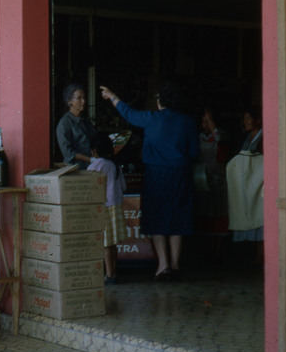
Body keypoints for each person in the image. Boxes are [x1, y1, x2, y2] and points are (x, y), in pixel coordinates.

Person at [100, 82, 200, 281]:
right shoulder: (188, 122)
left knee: (157, 219)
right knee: (177, 218)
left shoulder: (152, 119)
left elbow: (129, 114)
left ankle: (163, 266)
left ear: (159, 101)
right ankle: (175, 264)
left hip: (157, 174)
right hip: (181, 174)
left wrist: (112, 96)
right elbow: (194, 152)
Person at [88, 133, 129, 284]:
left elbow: (90, 187)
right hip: (116, 206)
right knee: (112, 244)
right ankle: (114, 272)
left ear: (94, 151)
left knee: (105, 242)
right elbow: (123, 186)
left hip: (103, 207)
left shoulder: (96, 166)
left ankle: (109, 275)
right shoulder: (115, 165)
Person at [226, 106, 264, 266]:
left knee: (261, 218)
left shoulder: (264, 137)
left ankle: (263, 256)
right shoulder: (247, 138)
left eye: (249, 118)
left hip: (259, 183)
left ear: (258, 120)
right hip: (248, 185)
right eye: (245, 119)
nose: (246, 122)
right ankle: (257, 255)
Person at [194, 107, 229, 264]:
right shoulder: (199, 137)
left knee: (219, 214)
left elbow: (220, 138)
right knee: (204, 214)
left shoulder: (220, 135)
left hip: (219, 182)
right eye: (203, 121)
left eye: (208, 121)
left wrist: (211, 121)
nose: (205, 124)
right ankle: (207, 250)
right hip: (202, 180)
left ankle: (219, 250)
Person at [56, 82, 98, 169]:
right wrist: (90, 159)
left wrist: (95, 154)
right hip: (75, 169)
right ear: (69, 102)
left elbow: (94, 140)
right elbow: (68, 153)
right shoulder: (64, 124)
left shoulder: (86, 121)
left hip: (91, 167)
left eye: (84, 98)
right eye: (79, 98)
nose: (83, 101)